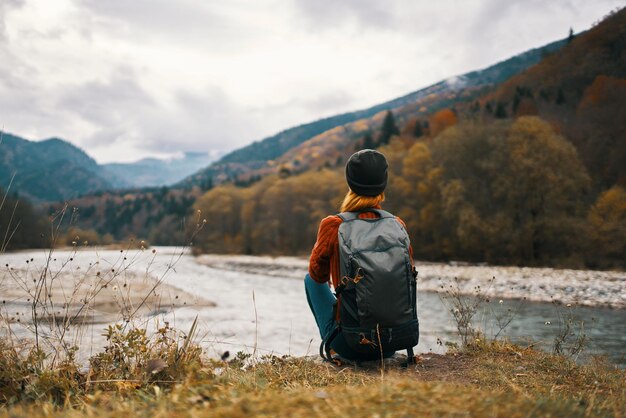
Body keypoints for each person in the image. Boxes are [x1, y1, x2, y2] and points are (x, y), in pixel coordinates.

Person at [304, 149, 415, 362]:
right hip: (395, 342)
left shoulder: (334, 225)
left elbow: (317, 275)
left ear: (350, 183)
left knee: (309, 280)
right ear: (383, 184)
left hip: (351, 345)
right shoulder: (397, 224)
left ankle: (336, 348)